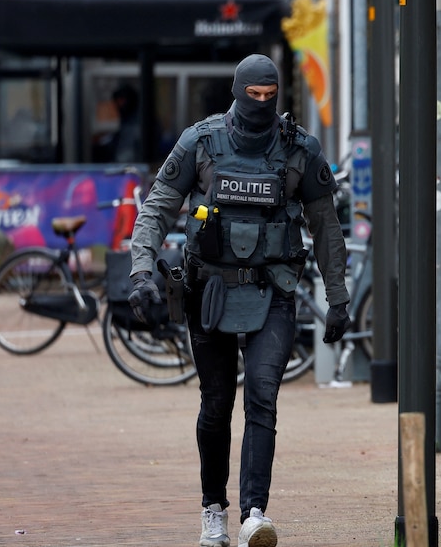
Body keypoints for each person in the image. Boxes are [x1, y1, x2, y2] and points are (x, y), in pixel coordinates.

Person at [127, 54, 351, 547]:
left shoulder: (300, 150)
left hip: (273, 291)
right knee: (216, 404)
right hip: (209, 291)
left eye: (272, 96)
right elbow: (158, 208)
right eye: (255, 95)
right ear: (238, 90)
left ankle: (254, 512)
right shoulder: (201, 142)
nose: (263, 104)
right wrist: (141, 270)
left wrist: (338, 297)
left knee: (263, 397)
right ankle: (214, 509)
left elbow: (327, 228)